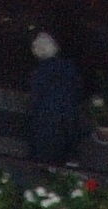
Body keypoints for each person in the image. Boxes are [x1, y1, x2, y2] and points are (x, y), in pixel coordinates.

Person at [25, 30, 89, 165]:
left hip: (46, 114)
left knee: (46, 141)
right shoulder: (68, 66)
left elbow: (35, 97)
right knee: (68, 136)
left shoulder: (38, 73)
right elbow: (78, 87)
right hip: (67, 110)